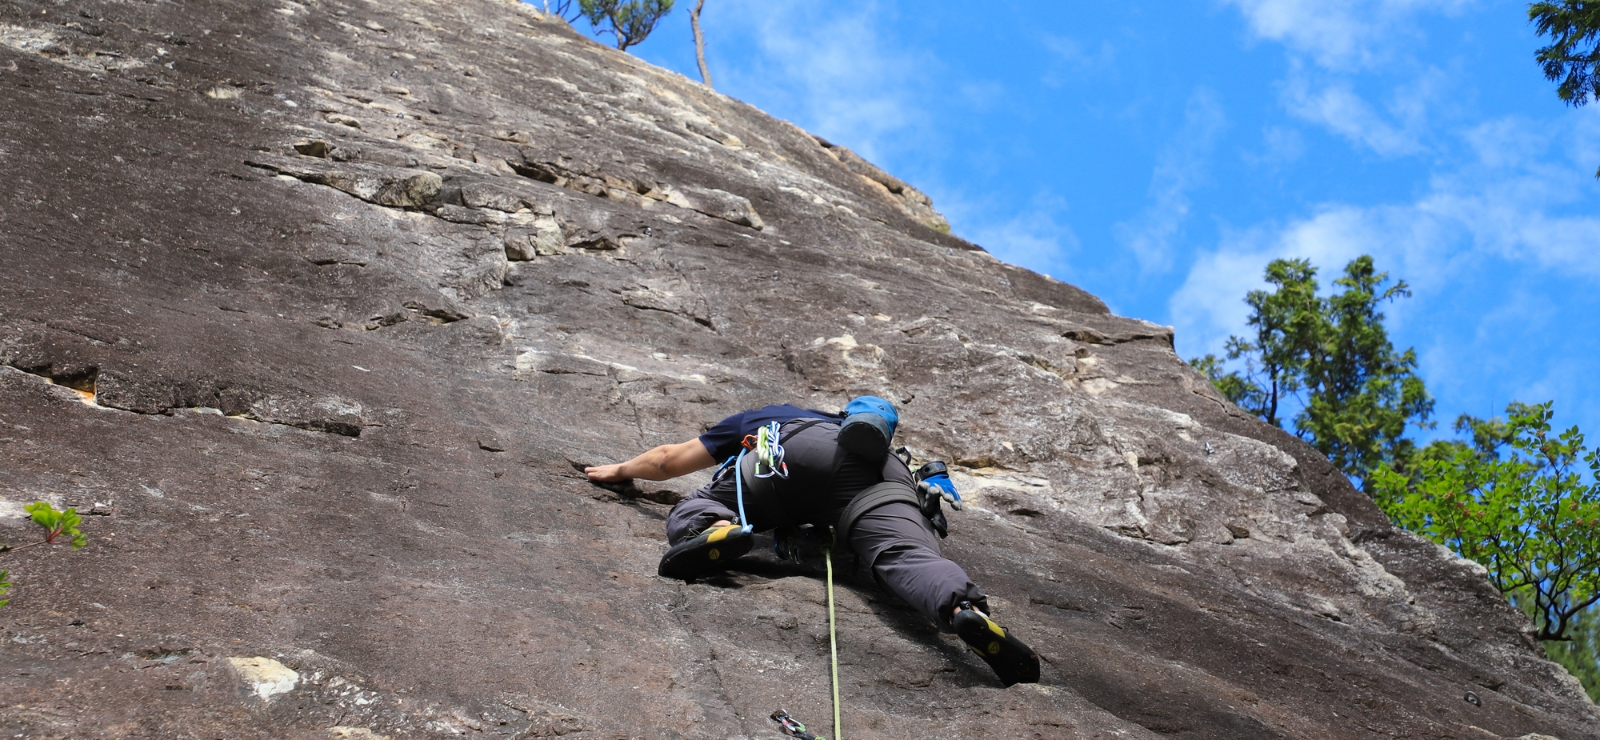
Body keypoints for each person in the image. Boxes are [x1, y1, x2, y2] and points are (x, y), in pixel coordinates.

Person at [585, 397, 1041, 686]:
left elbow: (669, 461)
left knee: (701, 502)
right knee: (908, 555)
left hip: (793, 452)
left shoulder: (773, 415)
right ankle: (965, 610)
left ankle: (710, 529)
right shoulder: (892, 454)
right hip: (882, 480)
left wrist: (619, 471)